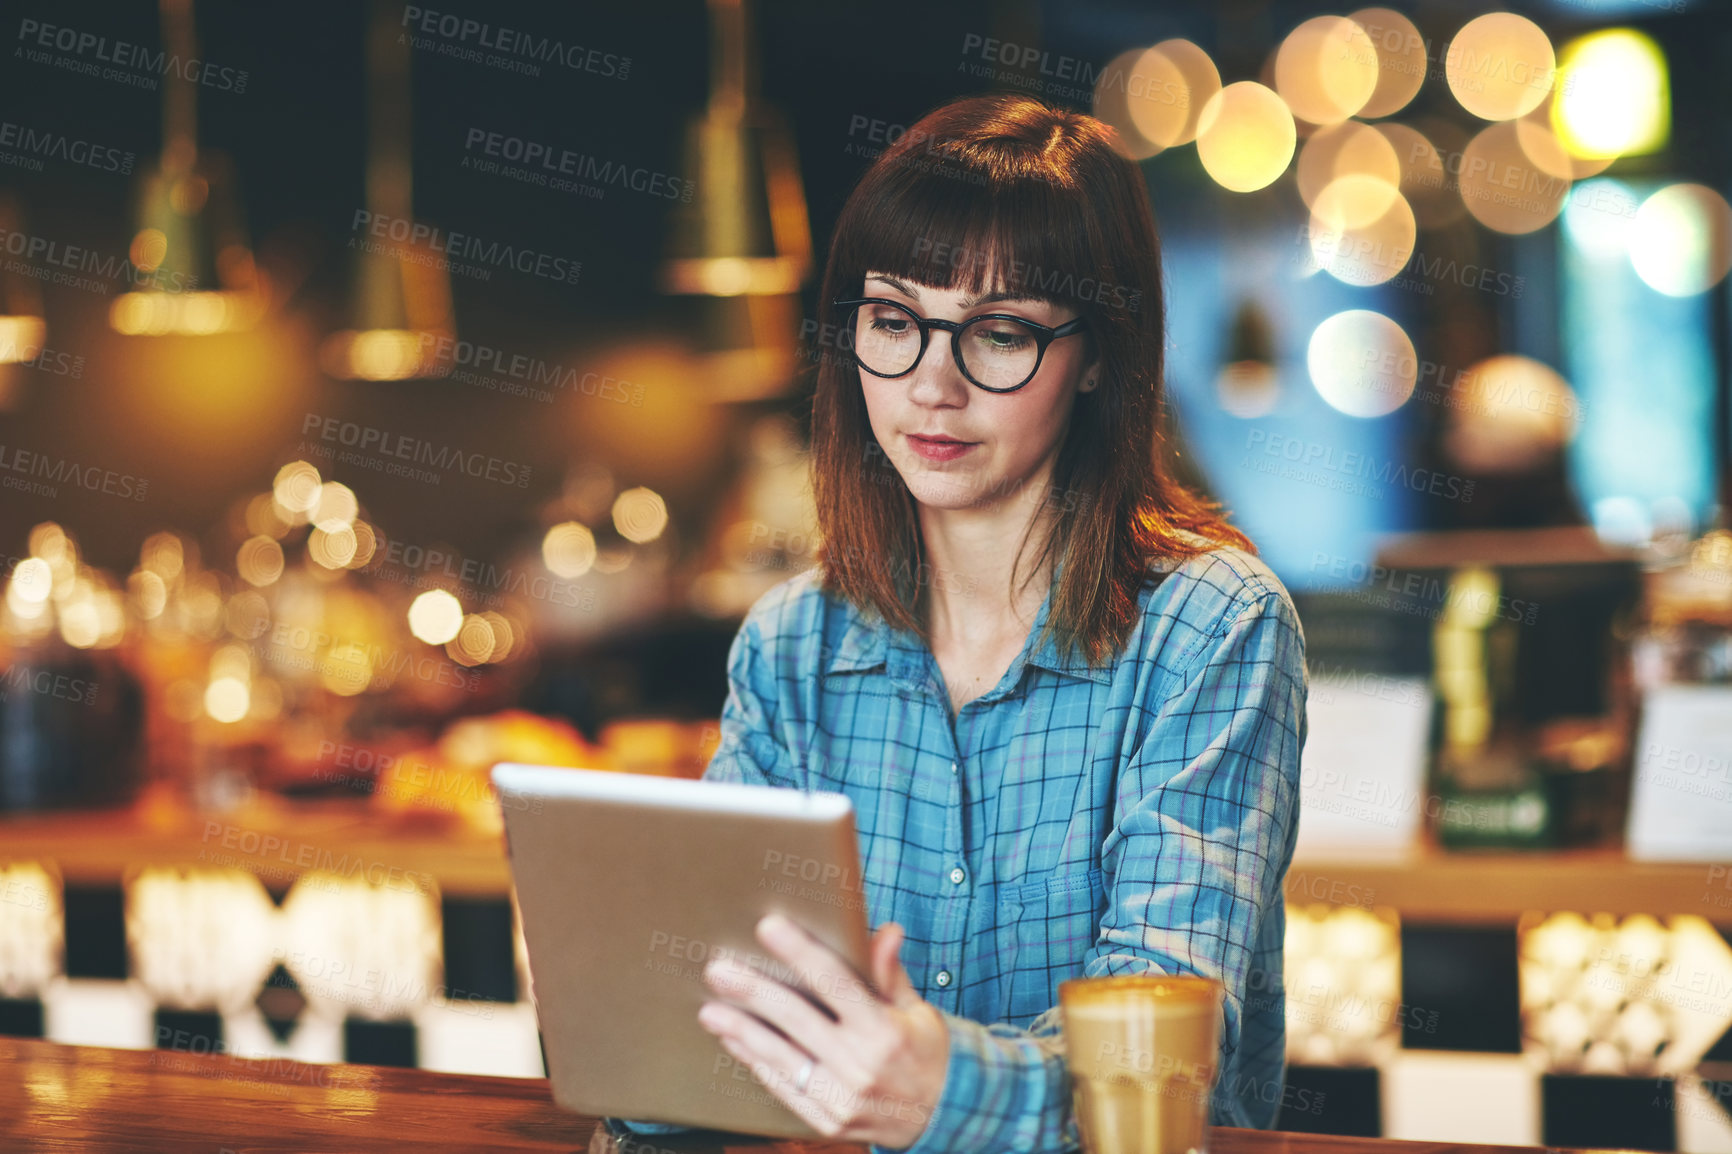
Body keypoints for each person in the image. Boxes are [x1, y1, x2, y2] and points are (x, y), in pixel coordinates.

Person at [605, 91, 1306, 1153]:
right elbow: (719, 1028)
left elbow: (1166, 1064)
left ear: (1101, 355)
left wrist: (947, 1088)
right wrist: (647, 1034)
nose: (932, 384)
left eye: (1000, 333)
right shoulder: (794, 643)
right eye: (892, 320)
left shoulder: (1210, 628)